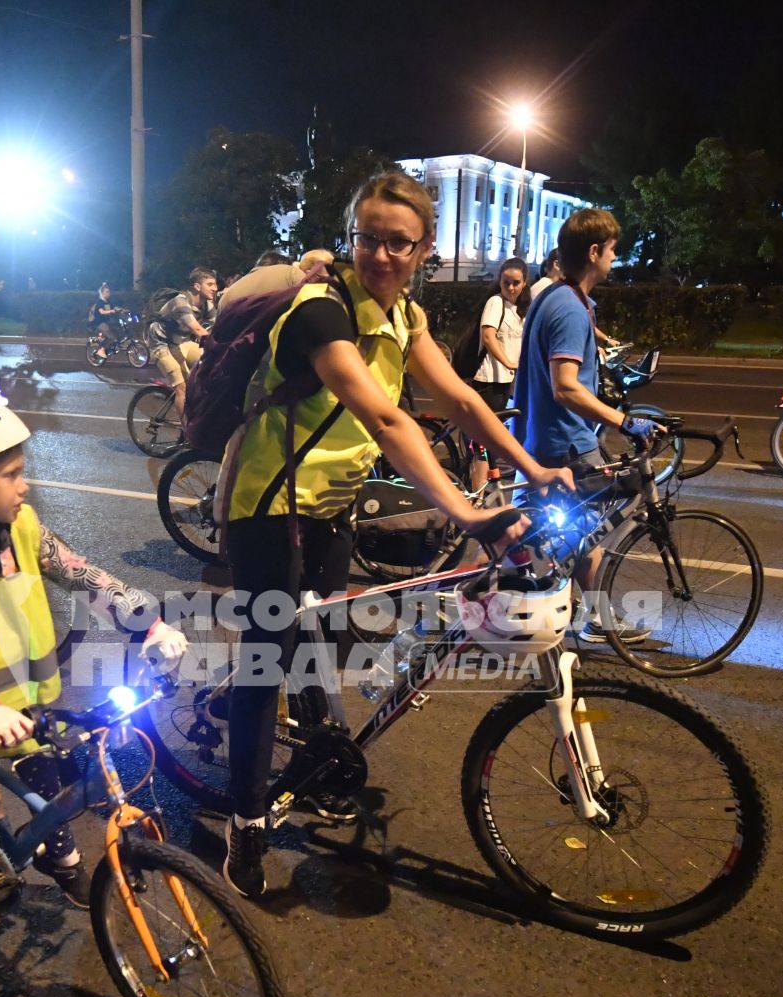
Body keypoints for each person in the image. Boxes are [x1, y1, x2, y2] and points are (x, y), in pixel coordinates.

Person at [218, 171, 571, 898]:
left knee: (328, 635)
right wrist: (471, 514)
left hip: (331, 505)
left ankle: (313, 757)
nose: (380, 255)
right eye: (367, 239)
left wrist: (536, 467)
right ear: (352, 239)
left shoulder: (403, 314)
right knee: (268, 660)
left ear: (424, 248)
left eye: (397, 243)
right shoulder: (322, 310)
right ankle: (244, 825)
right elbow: (386, 419)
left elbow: (464, 399)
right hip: (269, 505)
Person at [0, 369, 190, 997]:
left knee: (51, 773)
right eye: (12, 475)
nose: (26, 486)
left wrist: (147, 619)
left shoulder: (21, 530)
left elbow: (82, 574)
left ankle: (65, 859)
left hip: (29, 701)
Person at [511, 208, 661, 647]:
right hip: (567, 442)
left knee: (575, 534)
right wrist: (624, 421)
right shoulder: (570, 309)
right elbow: (566, 388)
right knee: (588, 534)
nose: (616, 256)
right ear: (594, 252)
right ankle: (591, 619)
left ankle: (565, 610)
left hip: (546, 435)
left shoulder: (556, 297)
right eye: (612, 248)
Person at [146, 267, 216, 413]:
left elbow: (217, 328)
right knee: (181, 387)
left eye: (215, 284)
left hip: (181, 342)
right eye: (210, 284)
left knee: (210, 364)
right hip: (161, 344)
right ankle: (187, 433)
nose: (215, 288)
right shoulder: (180, 302)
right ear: (197, 286)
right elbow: (197, 330)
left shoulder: (207, 305)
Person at [471, 256, 527, 411]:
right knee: (488, 431)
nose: (510, 288)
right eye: (506, 282)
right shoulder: (496, 302)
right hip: (490, 380)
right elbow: (488, 336)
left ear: (524, 283)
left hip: (506, 380)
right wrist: (508, 363)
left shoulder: (519, 309)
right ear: (499, 281)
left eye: (516, 283)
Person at [86, 282, 123, 359]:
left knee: (117, 330)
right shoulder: (100, 302)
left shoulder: (108, 302)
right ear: (102, 293)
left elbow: (115, 308)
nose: (109, 293)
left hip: (107, 322)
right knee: (111, 337)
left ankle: (112, 349)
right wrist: (111, 311)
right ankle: (101, 350)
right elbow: (101, 311)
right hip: (99, 323)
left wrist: (123, 310)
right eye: (107, 292)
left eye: (109, 292)